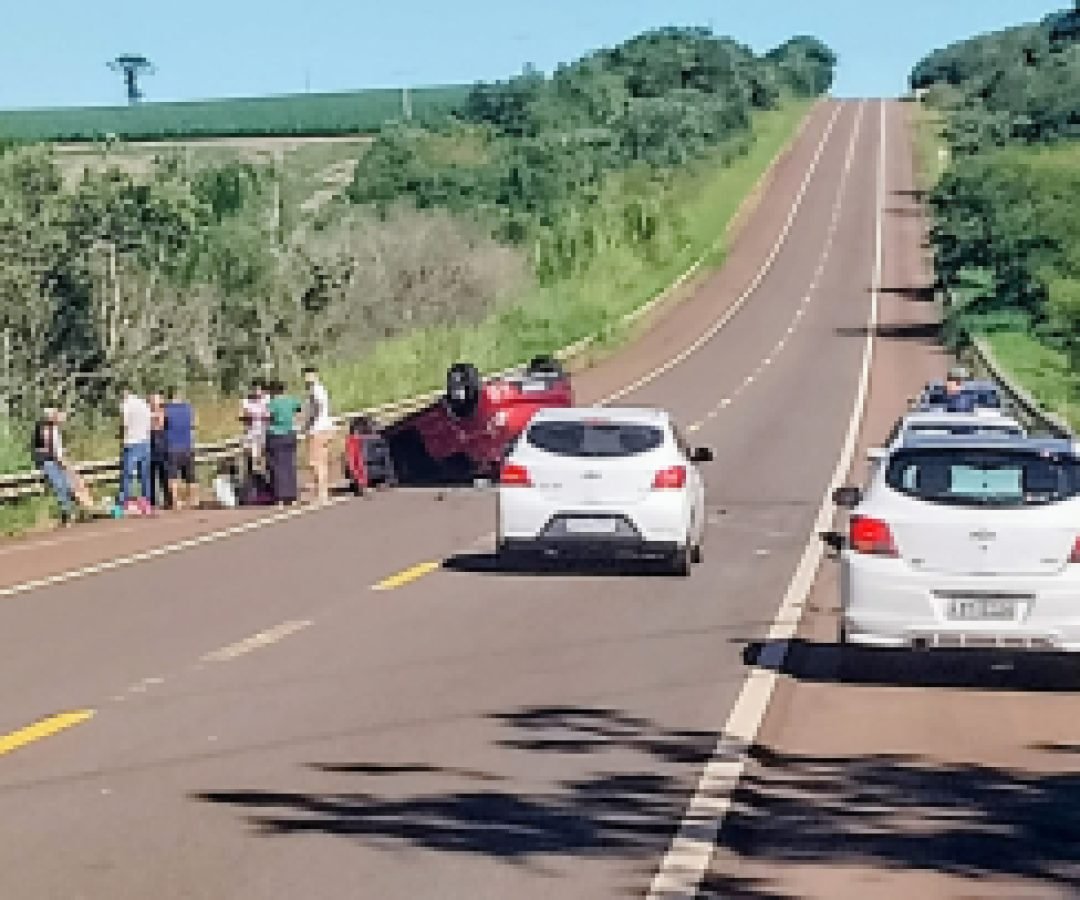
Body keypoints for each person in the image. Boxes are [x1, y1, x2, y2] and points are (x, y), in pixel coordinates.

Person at [31, 406, 74, 526]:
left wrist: (63, 458)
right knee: (60, 484)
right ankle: (66, 513)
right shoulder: (42, 427)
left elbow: (58, 448)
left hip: (55, 459)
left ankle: (68, 511)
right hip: (47, 460)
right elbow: (46, 447)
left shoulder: (55, 429)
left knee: (66, 484)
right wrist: (59, 458)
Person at [116, 387, 153, 515]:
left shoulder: (126, 405)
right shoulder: (144, 404)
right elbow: (150, 424)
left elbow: (124, 424)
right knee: (145, 474)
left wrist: (121, 438)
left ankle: (124, 502)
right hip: (145, 441)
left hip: (131, 442)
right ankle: (146, 501)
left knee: (127, 474)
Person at [265, 380, 301, 506]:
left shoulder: (273, 403)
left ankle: (280, 496)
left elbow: (268, 416)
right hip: (290, 434)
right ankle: (292, 496)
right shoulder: (291, 400)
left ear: (273, 391)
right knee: (290, 464)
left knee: (276, 466)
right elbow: (299, 408)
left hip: (276, 434)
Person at [303, 366, 335, 504]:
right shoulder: (320, 389)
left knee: (315, 462)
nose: (306, 378)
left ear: (315, 375)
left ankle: (321, 494)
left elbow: (318, 407)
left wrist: (309, 422)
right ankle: (323, 492)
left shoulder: (315, 390)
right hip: (326, 427)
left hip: (318, 429)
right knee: (322, 462)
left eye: (309, 375)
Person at [164, 385, 199, 511]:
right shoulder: (189, 408)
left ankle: (176, 501)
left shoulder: (166, 410)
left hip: (172, 446)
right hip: (187, 446)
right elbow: (194, 425)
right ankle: (193, 500)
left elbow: (162, 426)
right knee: (191, 475)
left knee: (173, 476)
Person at [240, 380, 270, 482]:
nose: (257, 391)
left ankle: (265, 480)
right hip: (251, 432)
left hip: (265, 431)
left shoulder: (268, 399)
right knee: (250, 455)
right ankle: (251, 480)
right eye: (255, 389)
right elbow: (244, 417)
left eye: (259, 389)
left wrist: (263, 417)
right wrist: (247, 418)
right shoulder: (246, 401)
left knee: (263, 456)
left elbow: (270, 415)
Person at [149, 393, 172, 509]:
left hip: (162, 446)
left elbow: (164, 426)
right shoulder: (148, 413)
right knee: (152, 476)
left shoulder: (164, 412)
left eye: (156, 402)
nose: (154, 405)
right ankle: (153, 501)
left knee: (164, 475)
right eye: (152, 402)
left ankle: (168, 500)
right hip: (152, 446)